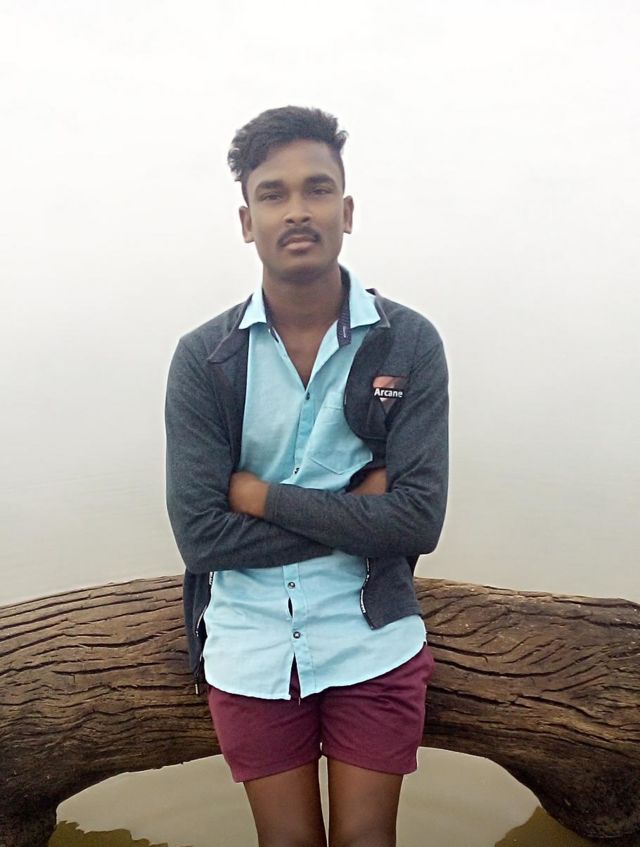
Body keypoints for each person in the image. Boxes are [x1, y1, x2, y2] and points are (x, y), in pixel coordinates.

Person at [165, 105, 449, 847]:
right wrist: (356, 517)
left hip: (373, 632)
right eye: (274, 193)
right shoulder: (204, 359)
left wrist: (259, 496)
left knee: (366, 841)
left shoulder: (409, 342)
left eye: (317, 189)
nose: (297, 210)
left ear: (346, 212)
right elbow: (201, 536)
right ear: (247, 221)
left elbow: (419, 521)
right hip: (248, 639)